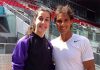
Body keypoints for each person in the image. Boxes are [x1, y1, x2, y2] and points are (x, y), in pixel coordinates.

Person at [51, 5, 95, 70]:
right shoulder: (52, 44)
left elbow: (90, 68)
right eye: (59, 21)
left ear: (71, 21)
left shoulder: (83, 41)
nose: (62, 24)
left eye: (66, 20)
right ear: (56, 23)